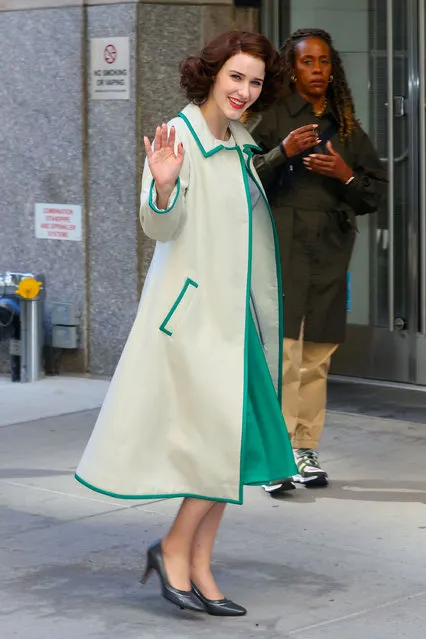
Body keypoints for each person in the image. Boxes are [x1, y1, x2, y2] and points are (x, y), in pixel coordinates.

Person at [75, 31, 296, 616]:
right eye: (235, 78)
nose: (244, 91)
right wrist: (165, 185)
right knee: (215, 445)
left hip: (232, 321)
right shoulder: (181, 138)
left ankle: (198, 562)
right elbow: (159, 227)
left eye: (254, 81)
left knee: (236, 447)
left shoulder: (239, 142)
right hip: (194, 323)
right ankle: (174, 548)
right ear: (212, 75)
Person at [246, 28, 387, 495]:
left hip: (329, 249)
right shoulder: (271, 118)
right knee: (282, 354)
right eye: (308, 62)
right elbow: (242, 182)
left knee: (317, 357)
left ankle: (305, 448)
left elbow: (374, 193)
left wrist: (345, 175)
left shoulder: (347, 126)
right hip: (283, 247)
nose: (318, 70)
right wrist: (282, 153)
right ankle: (277, 455)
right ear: (292, 66)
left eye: (324, 61)